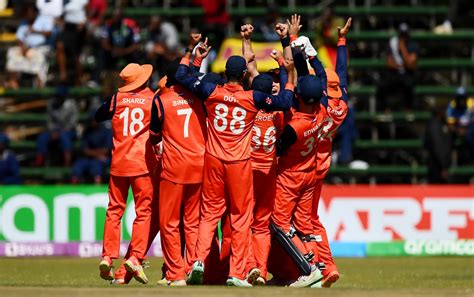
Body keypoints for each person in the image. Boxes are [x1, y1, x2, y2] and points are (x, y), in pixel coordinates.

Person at [176, 25, 296, 286]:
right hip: (239, 162)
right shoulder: (252, 99)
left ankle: (197, 260)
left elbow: (181, 76)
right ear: (243, 75)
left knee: (208, 214)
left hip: (213, 160)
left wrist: (195, 55)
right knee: (241, 217)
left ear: (225, 73)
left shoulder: (211, 92)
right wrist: (287, 75)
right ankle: (236, 273)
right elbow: (286, 102)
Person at [148, 53, 211, 286]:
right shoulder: (199, 95)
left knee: (169, 222)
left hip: (174, 168)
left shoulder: (160, 100)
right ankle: (190, 265)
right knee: (193, 221)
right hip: (200, 165)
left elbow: (154, 135)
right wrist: (195, 59)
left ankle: (175, 274)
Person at [95, 62, 158, 284]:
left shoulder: (116, 99)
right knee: (144, 212)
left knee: (114, 211)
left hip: (119, 163)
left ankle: (107, 256)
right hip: (142, 164)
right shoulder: (152, 99)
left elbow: (98, 115)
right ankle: (135, 257)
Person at [240, 23, 287, 285]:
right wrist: (284, 56)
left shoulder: (246, 105)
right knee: (261, 224)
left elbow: (250, 71)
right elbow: (259, 75)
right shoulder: (280, 112)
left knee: (243, 221)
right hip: (269, 170)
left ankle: (248, 267)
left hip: (246, 170)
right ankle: (261, 268)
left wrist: (246, 40)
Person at [310, 18, 351, 288]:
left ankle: (317, 266)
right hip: (323, 164)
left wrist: (302, 49)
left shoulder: (321, 105)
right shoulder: (342, 105)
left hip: (305, 163)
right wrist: (342, 41)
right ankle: (320, 266)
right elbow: (342, 72)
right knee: (310, 218)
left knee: (304, 220)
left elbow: (326, 75)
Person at [5, 5, 53, 88]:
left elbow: (49, 34)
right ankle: (13, 81)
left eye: (29, 13)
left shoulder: (43, 20)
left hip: (41, 47)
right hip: (26, 47)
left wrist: (35, 31)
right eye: (26, 14)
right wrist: (23, 48)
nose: (28, 16)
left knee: (39, 56)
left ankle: (40, 82)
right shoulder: (23, 23)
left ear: (35, 13)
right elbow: (20, 38)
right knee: (12, 52)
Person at [376, 23, 418, 111]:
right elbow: (390, 63)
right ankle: (385, 110)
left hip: (407, 73)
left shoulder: (412, 45)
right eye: (402, 35)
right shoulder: (392, 43)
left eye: (405, 35)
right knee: (382, 85)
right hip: (394, 73)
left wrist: (402, 49)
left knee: (409, 84)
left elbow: (411, 65)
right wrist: (400, 65)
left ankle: (408, 110)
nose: (403, 37)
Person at [36, 85, 78, 167]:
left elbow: (73, 122)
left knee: (64, 137)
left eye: (61, 95)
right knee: (42, 138)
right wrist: (53, 131)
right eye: (58, 95)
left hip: (68, 130)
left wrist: (61, 131)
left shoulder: (72, 104)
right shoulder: (51, 103)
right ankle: (39, 164)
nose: (59, 97)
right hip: (53, 130)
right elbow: (49, 120)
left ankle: (67, 163)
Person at [71, 114, 112, 184]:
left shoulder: (106, 131)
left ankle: (96, 189)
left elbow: (106, 150)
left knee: (96, 166)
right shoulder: (87, 132)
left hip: (103, 159)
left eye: (94, 120)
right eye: (91, 121)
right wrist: (97, 155)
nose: (92, 123)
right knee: (78, 164)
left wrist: (92, 153)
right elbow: (85, 150)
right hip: (91, 158)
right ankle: (73, 188)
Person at [56, 0, 88, 85]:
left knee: (75, 56)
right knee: (60, 45)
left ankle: (79, 80)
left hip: (78, 28)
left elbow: (88, 10)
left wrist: (83, 21)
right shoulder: (64, 2)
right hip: (68, 27)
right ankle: (63, 73)